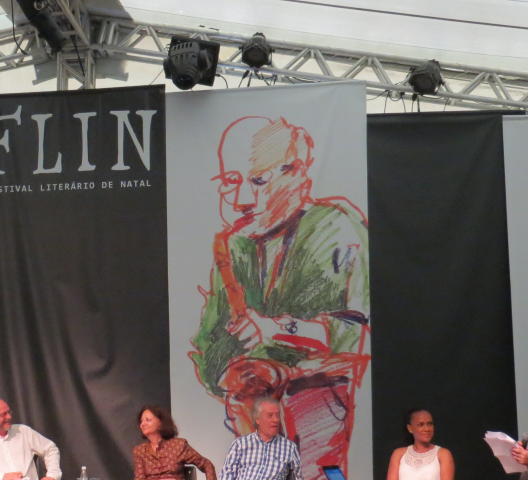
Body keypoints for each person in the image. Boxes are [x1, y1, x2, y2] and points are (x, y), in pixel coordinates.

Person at [190, 116, 370, 478]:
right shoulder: (233, 246)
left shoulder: (337, 226)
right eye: (230, 182)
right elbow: (207, 343)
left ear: (297, 173)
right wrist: (231, 371)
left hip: (318, 404)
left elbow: (354, 336)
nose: (240, 200)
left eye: (257, 180)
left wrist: (275, 329)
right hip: (251, 419)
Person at [0, 398, 60, 480]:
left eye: (9, 412)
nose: (9, 417)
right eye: (3, 414)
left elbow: (50, 449)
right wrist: (2, 477)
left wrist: (52, 475)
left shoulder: (23, 432)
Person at [219, 397, 301, 480]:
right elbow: (226, 476)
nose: (276, 420)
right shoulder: (240, 444)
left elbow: (298, 477)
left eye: (277, 415)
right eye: (269, 415)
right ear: (257, 419)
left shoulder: (289, 447)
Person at [133, 405, 216, 480]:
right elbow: (140, 478)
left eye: (148, 420)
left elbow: (206, 464)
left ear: (160, 423)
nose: (143, 424)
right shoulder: (139, 451)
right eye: (141, 421)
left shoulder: (178, 445)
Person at [386, 408, 454, 480]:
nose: (427, 429)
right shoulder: (399, 454)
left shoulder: (443, 454)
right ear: (410, 428)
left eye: (429, 424)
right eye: (421, 425)